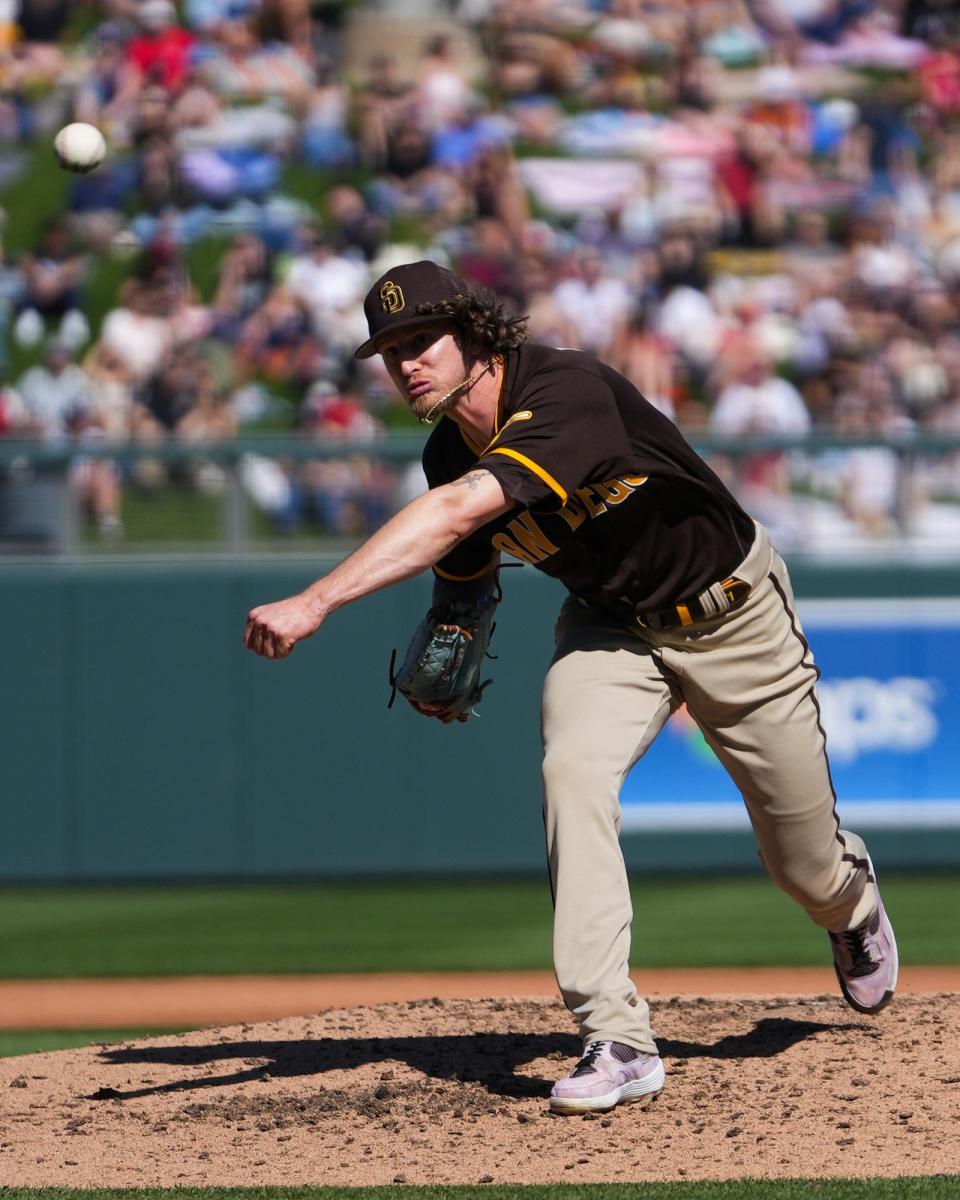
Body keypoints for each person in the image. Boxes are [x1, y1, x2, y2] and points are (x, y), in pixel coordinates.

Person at [243, 260, 899, 1115]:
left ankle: (850, 905)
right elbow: (465, 572)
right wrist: (452, 621)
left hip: (734, 616)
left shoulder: (567, 392)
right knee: (571, 772)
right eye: (390, 349)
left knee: (803, 866)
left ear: (476, 334)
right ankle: (616, 1034)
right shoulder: (447, 447)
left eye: (422, 341)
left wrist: (316, 598)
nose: (405, 363)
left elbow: (458, 512)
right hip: (613, 627)